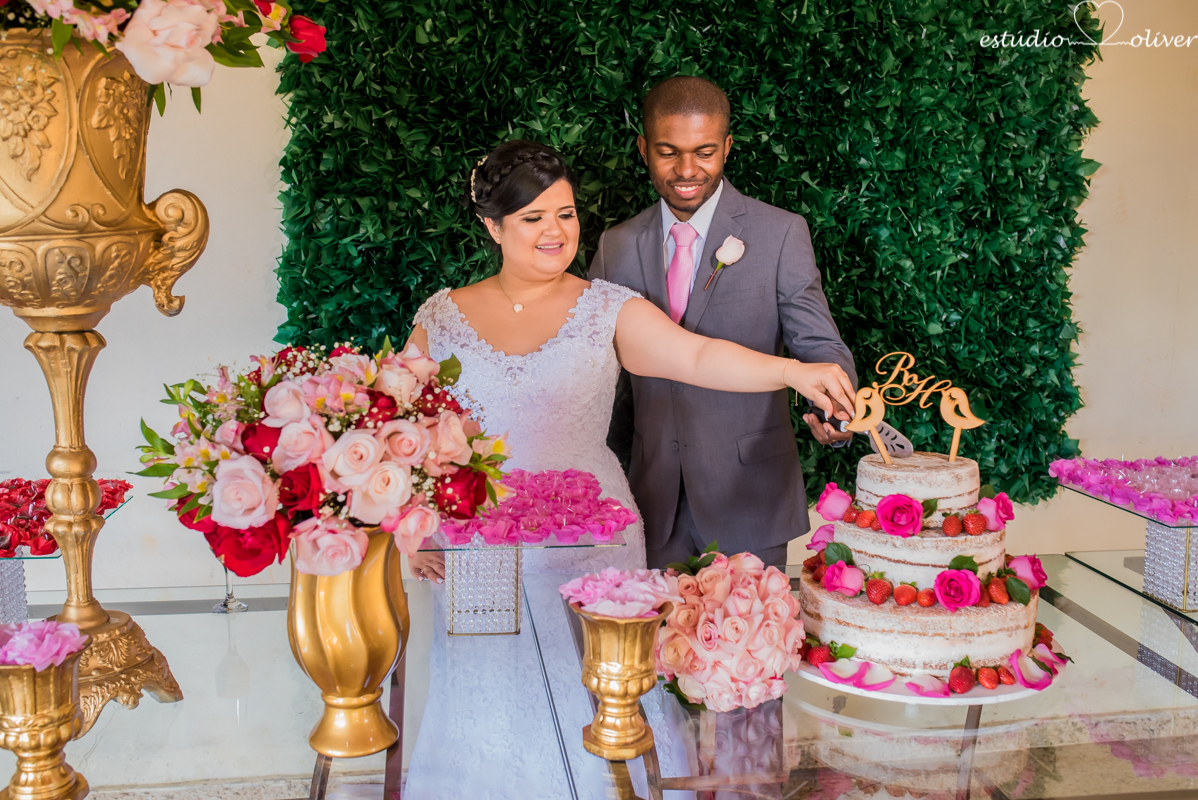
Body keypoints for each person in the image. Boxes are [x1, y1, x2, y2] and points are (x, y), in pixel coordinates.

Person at [400, 139, 853, 798]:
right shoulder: (441, 317)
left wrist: (794, 371)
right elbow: (399, 428)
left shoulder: (605, 307)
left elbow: (697, 358)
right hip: (476, 550)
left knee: (604, 706)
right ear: (493, 227)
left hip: (592, 544)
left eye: (565, 214)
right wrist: (410, 525)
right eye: (533, 218)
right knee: (488, 697)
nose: (556, 231)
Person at [589, 76, 858, 569]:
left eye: (705, 151)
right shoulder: (615, 245)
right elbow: (594, 375)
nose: (687, 170)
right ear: (643, 149)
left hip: (749, 498)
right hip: (651, 502)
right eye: (668, 152)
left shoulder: (780, 233)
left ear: (728, 147)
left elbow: (819, 344)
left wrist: (836, 413)